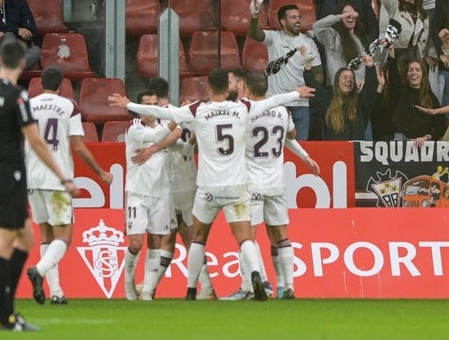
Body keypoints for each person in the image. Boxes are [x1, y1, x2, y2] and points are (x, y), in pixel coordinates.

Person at [108, 68, 314, 301]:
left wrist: (129, 105)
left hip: (207, 188)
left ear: (208, 87)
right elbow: (274, 101)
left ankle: (192, 289)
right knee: (245, 238)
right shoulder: (242, 108)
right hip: (236, 186)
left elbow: (159, 111)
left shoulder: (198, 110)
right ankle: (257, 276)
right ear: (228, 89)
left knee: (197, 238)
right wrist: (296, 93)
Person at [0, 39, 74, 331]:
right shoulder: (18, 97)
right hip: (11, 172)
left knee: (27, 238)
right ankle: (5, 316)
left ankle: (9, 311)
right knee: (3, 243)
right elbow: (36, 141)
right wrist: (63, 176)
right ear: (23, 64)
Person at [221, 71, 320, 300]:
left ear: (245, 86)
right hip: (276, 183)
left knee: (248, 237)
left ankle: (250, 286)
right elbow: (291, 134)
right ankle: (287, 287)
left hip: (250, 183)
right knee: (281, 235)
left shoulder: (242, 111)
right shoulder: (282, 110)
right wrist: (305, 157)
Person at [25, 67, 113, 306]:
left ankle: (56, 292)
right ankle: (40, 270)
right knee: (64, 235)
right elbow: (78, 145)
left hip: (33, 178)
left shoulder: (27, 106)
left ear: (40, 83)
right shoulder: (69, 106)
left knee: (46, 234)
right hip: (57, 177)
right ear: (62, 85)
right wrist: (100, 172)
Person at [143, 76, 216, 300]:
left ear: (154, 96)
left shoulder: (159, 118)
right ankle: (151, 287)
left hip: (172, 184)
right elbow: (195, 141)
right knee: (179, 237)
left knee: (178, 237)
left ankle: (152, 288)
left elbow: (167, 140)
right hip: (189, 180)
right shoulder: (184, 113)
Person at [122, 90, 181, 301]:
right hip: (138, 192)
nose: (152, 110)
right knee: (136, 243)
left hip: (161, 193)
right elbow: (161, 135)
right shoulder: (134, 129)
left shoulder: (163, 126)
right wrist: (178, 116)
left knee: (156, 241)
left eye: (155, 104)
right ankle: (128, 280)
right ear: (140, 108)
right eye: (147, 105)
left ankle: (147, 290)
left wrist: (153, 149)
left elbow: (177, 132)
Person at [248, 2, 322, 140]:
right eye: (293, 17)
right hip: (277, 103)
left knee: (300, 148)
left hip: (301, 104)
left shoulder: (309, 42)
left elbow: (319, 74)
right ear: (283, 21)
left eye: (299, 17)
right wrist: (255, 16)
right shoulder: (274, 37)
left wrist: (310, 87)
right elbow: (254, 34)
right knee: (275, 146)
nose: (298, 20)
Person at [305, 54, 384, 140]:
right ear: (337, 82)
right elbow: (313, 86)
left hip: (354, 150)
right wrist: (307, 66)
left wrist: (370, 67)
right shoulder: (327, 98)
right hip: (331, 149)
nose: (349, 80)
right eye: (345, 77)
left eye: (351, 78)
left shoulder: (359, 101)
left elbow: (370, 89)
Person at [388, 55, 448, 145]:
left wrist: (426, 137)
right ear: (407, 76)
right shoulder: (399, 92)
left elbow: (441, 124)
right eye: (410, 70)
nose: (414, 72)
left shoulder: (431, 97)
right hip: (401, 141)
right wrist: (391, 53)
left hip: (423, 143)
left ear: (423, 75)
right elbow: (393, 76)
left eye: (417, 70)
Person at [309, 4, 372, 84]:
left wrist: (363, 79)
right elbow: (316, 26)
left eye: (351, 12)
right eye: (345, 12)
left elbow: (362, 65)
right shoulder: (332, 36)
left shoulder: (360, 38)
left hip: (356, 87)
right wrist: (340, 16)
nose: (349, 15)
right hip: (337, 87)